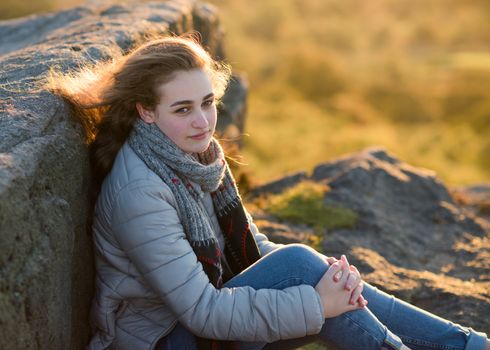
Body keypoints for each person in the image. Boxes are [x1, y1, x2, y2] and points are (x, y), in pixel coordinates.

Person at [51, 35, 490, 350]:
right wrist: (315, 302)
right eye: (183, 109)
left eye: (207, 102)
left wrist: (328, 280)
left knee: (311, 269)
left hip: (206, 317)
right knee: (308, 276)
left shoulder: (195, 157)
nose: (203, 122)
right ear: (145, 111)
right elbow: (202, 312)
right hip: (165, 338)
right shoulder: (140, 192)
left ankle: (470, 345)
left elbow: (256, 249)